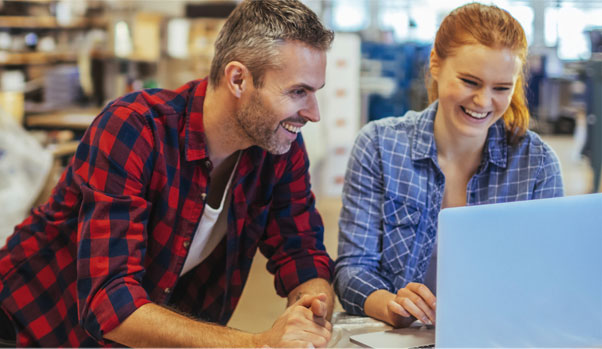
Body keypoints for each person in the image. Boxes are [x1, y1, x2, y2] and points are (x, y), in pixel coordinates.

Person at [0, 1, 336, 347]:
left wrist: (310, 309)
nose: (313, 113)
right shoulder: (133, 130)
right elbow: (111, 304)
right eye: (299, 92)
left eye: (315, 92)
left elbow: (302, 251)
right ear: (238, 79)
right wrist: (257, 343)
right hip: (31, 327)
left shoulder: (278, 146)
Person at [334, 3, 564, 329]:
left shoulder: (537, 165)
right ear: (436, 64)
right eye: (470, 81)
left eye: (501, 88)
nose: (484, 102)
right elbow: (352, 269)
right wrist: (392, 306)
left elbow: (549, 278)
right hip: (398, 335)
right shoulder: (378, 146)